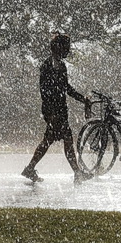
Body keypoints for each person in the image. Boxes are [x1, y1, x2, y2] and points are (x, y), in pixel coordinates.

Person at [22, 33, 93, 184]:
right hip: (54, 111)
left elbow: (66, 88)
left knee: (49, 141)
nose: (68, 50)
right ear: (59, 47)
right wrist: (51, 113)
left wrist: (82, 99)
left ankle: (30, 168)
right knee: (66, 140)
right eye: (66, 47)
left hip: (60, 109)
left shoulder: (61, 65)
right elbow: (44, 91)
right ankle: (77, 173)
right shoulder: (47, 66)